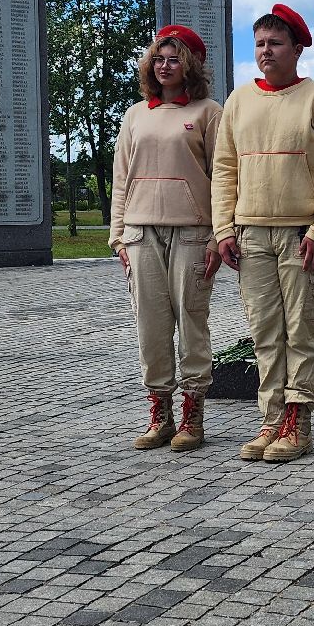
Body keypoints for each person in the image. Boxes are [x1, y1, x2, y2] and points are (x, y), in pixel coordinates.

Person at [212, 3, 314, 463]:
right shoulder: (238, 101)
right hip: (250, 235)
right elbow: (224, 169)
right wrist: (223, 229)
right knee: (264, 332)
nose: (265, 52)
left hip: (299, 236)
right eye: (260, 44)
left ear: (297, 49)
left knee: (300, 330)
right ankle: (271, 419)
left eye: (275, 43)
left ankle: (298, 420)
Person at [111, 25, 224, 452]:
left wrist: (218, 234)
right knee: (151, 326)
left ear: (190, 64)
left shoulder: (209, 112)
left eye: (173, 59)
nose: (164, 66)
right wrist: (118, 237)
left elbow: (223, 178)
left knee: (191, 320)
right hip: (140, 231)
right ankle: (160, 412)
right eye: (158, 58)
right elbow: (122, 178)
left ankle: (193, 413)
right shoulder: (136, 114)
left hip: (194, 230)